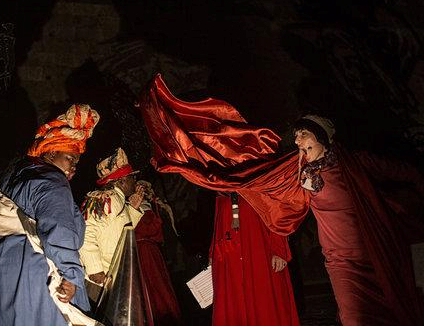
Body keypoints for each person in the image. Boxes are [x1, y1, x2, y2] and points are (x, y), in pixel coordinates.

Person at [139, 73, 422, 326]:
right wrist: (182, 163)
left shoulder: (352, 163)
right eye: (297, 136)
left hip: (368, 248)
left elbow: (395, 170)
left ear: (322, 138)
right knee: (353, 316)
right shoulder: (294, 170)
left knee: (389, 308)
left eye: (304, 135)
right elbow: (271, 197)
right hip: (338, 258)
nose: (298, 141)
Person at [0, 104, 100, 325]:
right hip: (24, 271)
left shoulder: (14, 172)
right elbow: (59, 229)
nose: (74, 167)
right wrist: (71, 275)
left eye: (77, 162)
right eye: (70, 158)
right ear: (51, 152)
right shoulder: (52, 181)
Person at [210, 192, 299, 325]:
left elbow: (276, 211)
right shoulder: (220, 182)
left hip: (259, 248)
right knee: (233, 302)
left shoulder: (258, 177)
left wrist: (279, 249)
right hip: (229, 251)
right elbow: (218, 216)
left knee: (264, 303)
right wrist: (213, 251)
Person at [79, 147, 145, 288]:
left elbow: (123, 232)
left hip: (113, 276)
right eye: (132, 177)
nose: (135, 181)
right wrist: (95, 269)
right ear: (121, 181)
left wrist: (133, 209)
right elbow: (86, 231)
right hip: (98, 280)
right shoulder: (105, 198)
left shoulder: (118, 200)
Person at [134, 180, 183, 325]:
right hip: (143, 253)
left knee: (160, 287)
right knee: (152, 289)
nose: (146, 191)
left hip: (153, 253)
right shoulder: (134, 207)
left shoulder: (155, 206)